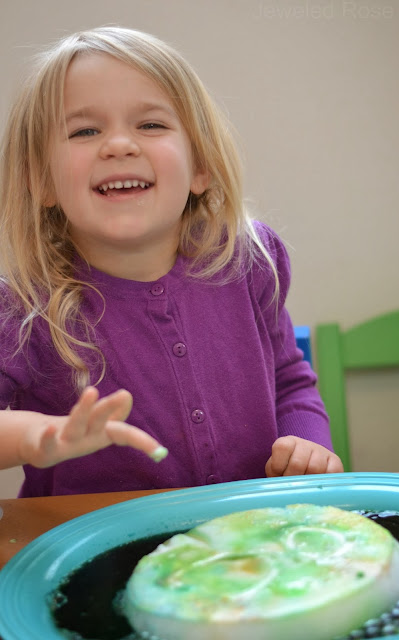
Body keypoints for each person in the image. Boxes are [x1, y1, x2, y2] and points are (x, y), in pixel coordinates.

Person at [0, 26, 343, 497]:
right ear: (42, 180)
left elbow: (289, 380)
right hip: (99, 539)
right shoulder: (21, 311)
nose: (119, 145)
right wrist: (36, 436)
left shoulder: (248, 261)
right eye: (85, 131)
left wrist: (307, 442)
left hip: (250, 530)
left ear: (200, 165)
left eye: (150, 125)